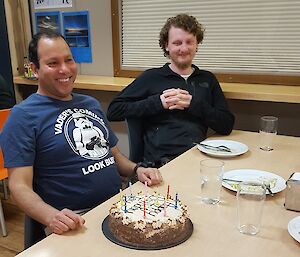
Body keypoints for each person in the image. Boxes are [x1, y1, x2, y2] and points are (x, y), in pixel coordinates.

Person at [0, 31, 162, 247]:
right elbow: (19, 186)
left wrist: (137, 170)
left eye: (69, 60)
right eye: (53, 63)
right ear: (35, 69)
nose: (65, 69)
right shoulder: (23, 116)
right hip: (74, 221)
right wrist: (51, 216)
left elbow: (114, 155)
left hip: (117, 205)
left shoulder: (91, 104)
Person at [107, 14, 235, 167]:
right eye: (177, 43)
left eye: (189, 42)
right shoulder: (151, 77)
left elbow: (226, 124)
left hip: (198, 159)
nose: (184, 48)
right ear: (167, 46)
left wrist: (193, 104)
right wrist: (158, 102)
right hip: (160, 164)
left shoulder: (207, 79)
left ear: (197, 44)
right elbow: (113, 111)